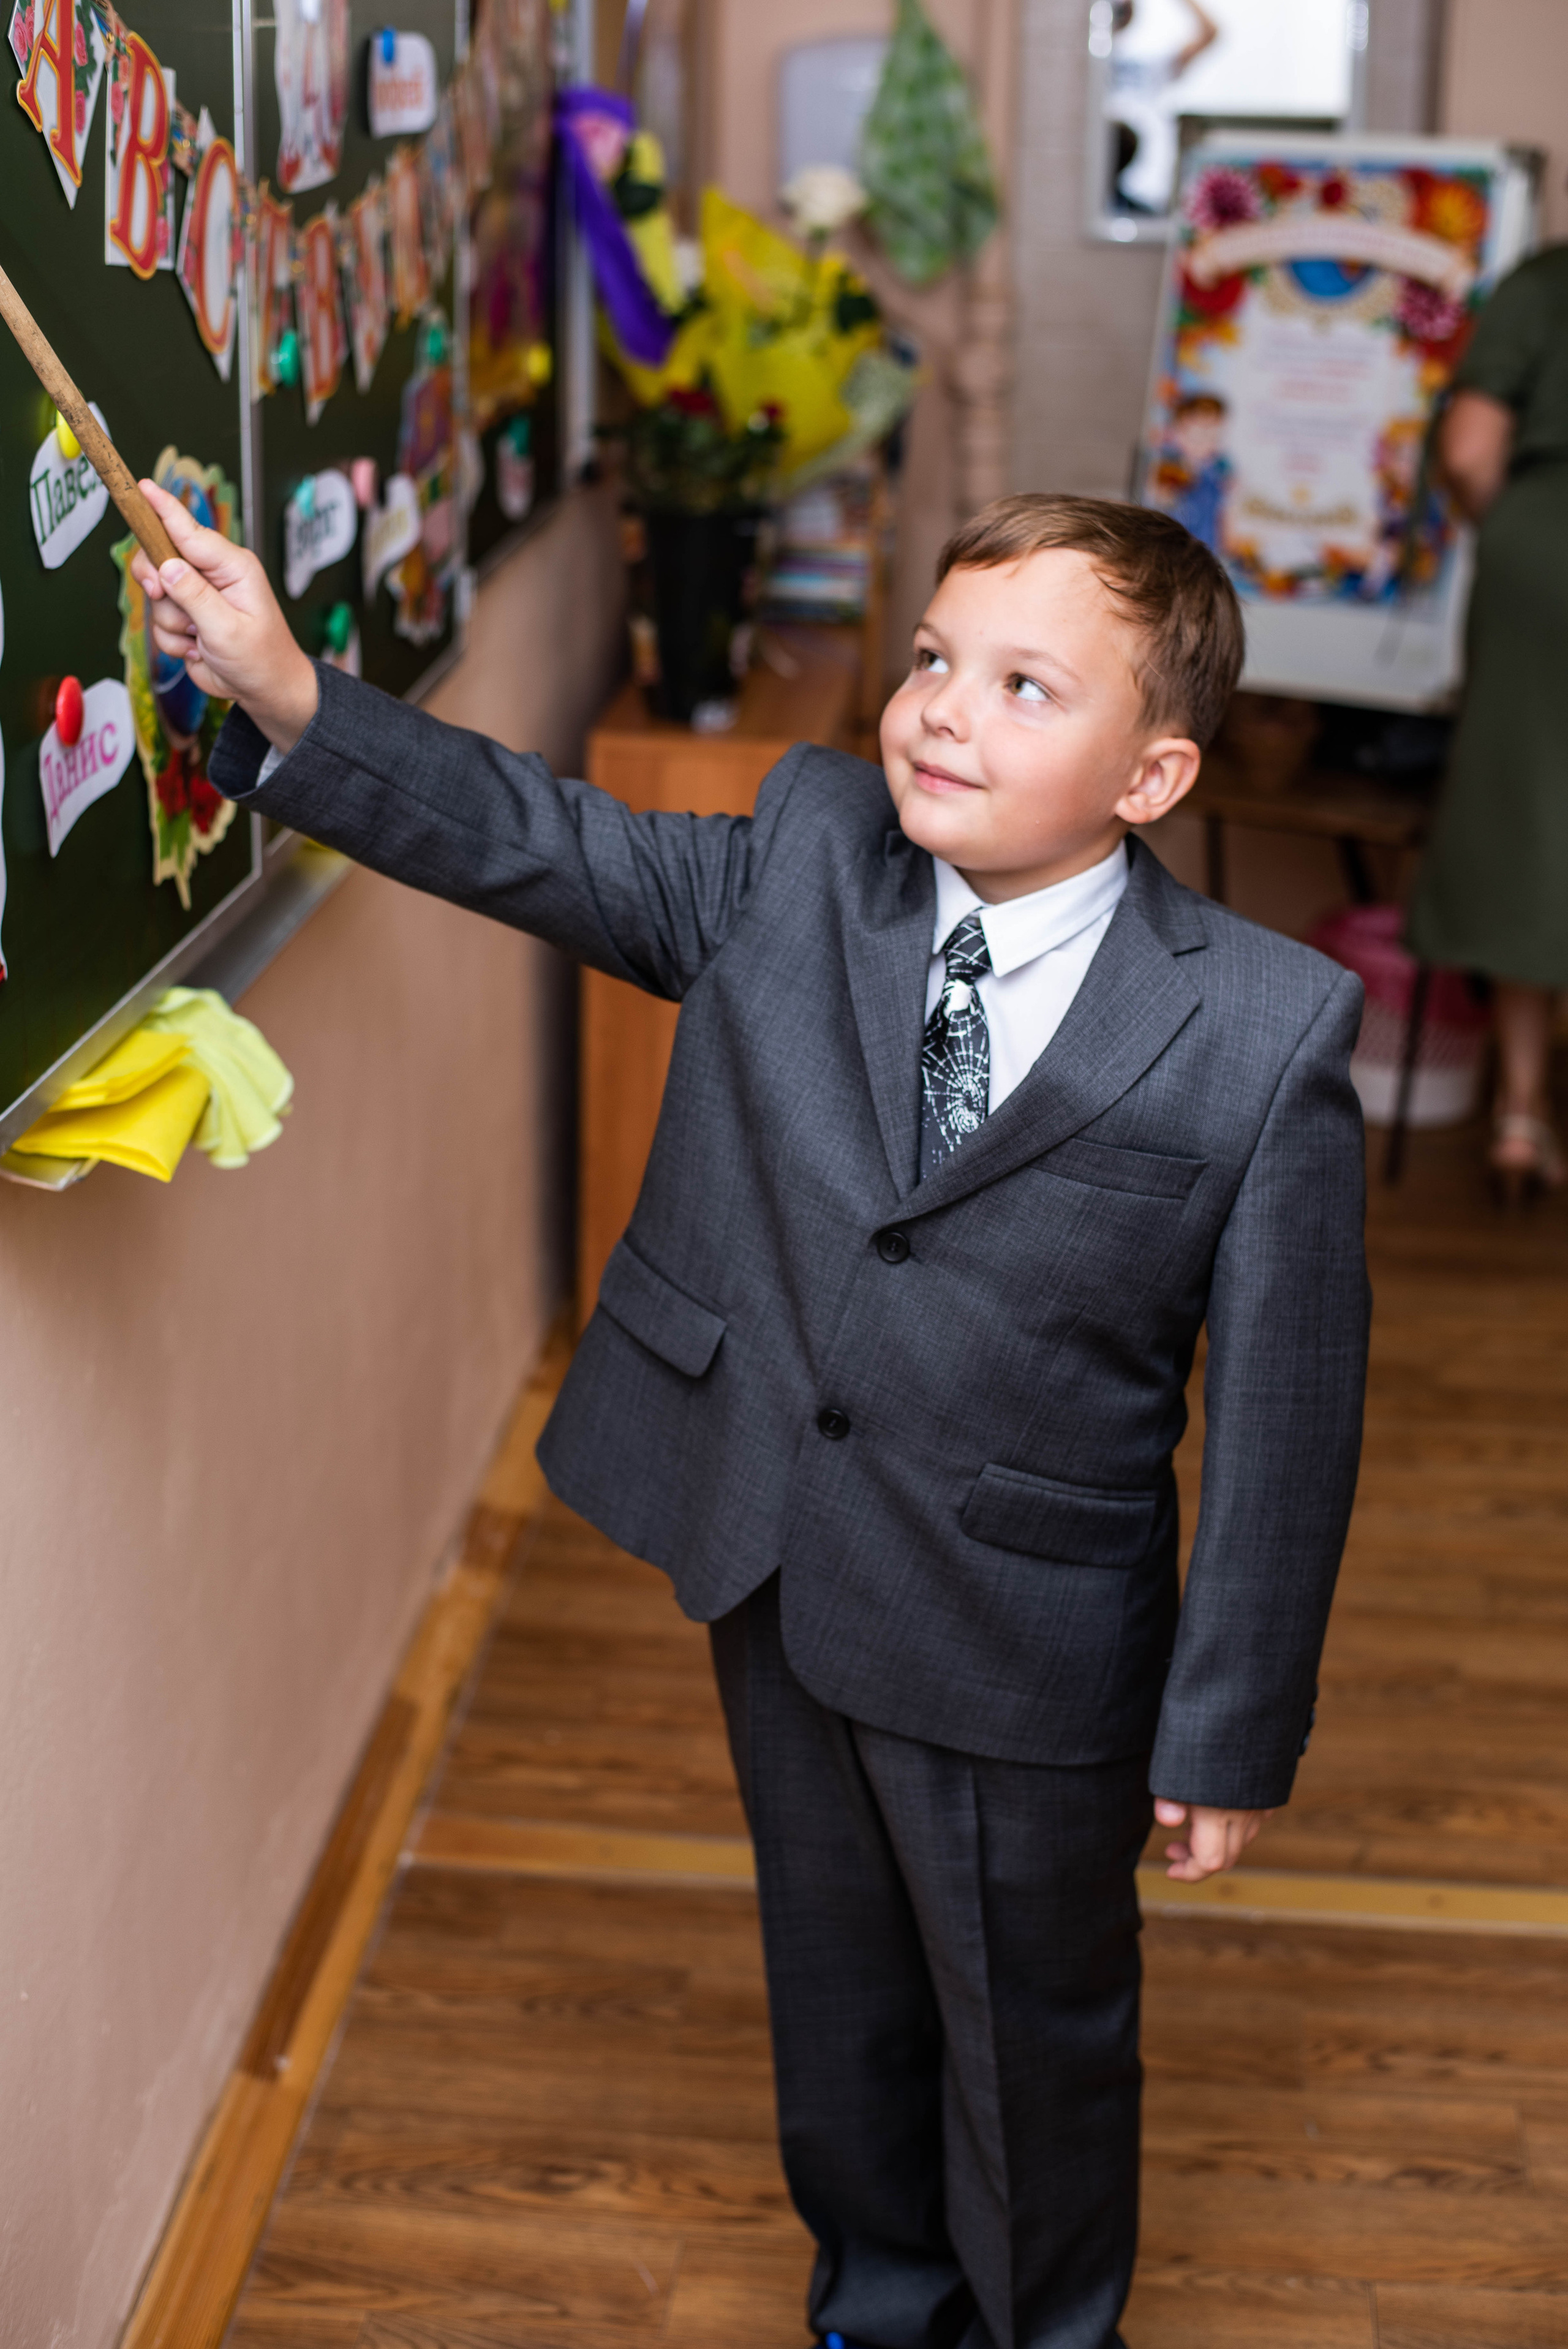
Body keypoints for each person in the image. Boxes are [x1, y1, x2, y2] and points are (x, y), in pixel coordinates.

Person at [131, 485, 1370, 2349]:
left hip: (1027, 1627)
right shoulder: (804, 854)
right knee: (842, 1981)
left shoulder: (1265, 1031)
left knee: (1031, 2028)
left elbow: (1287, 1418)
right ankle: (878, 2295)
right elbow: (545, 842)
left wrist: (1231, 1720)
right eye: (938, 658)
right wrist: (299, 702)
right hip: (781, 1557)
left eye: (1028, 687)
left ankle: (1048, 2327)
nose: (945, 708)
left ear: (1154, 773)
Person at [1408, 243, 1568, 1201]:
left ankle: (1519, 1111)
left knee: (1531, 816)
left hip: (1544, 557)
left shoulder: (1549, 282)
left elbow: (1468, 449)